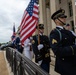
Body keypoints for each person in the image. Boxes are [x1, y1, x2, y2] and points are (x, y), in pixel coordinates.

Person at [49, 9, 76, 75]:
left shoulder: (68, 32)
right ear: (56, 20)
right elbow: (57, 50)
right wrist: (74, 48)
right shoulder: (55, 33)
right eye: (62, 17)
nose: (64, 18)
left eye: (64, 17)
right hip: (65, 65)